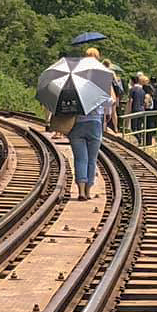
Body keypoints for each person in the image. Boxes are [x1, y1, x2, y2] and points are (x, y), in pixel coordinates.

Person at [67, 47, 113, 201]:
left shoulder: (74, 79)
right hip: (95, 124)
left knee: (80, 158)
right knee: (92, 159)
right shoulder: (100, 79)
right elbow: (109, 103)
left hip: (77, 124)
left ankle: (80, 191)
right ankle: (88, 191)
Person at [128, 72, 150, 137]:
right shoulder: (143, 90)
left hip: (135, 109)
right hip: (142, 109)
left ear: (132, 82)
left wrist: (129, 110)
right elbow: (145, 101)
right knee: (139, 126)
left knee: (134, 127)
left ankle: (138, 139)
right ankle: (140, 138)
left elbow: (130, 100)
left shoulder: (132, 89)